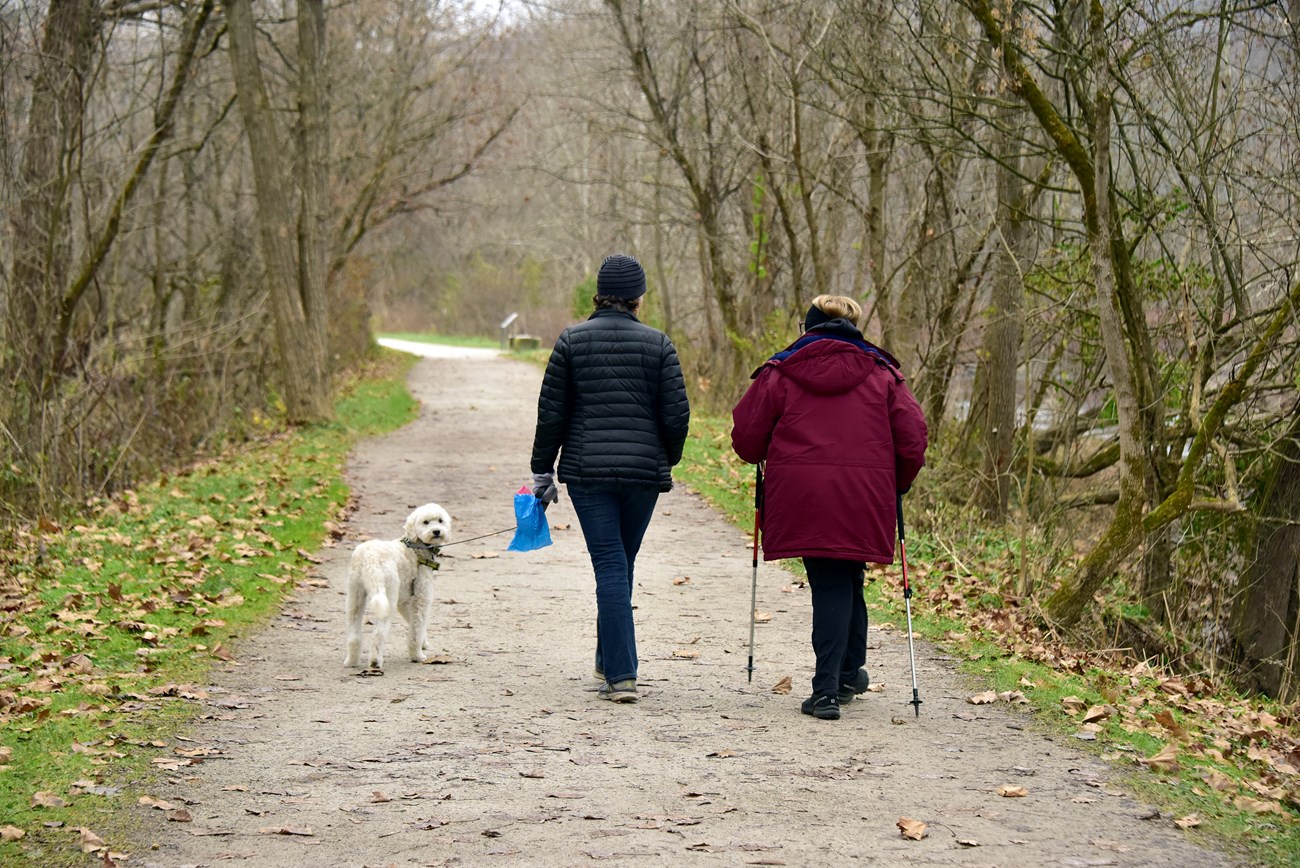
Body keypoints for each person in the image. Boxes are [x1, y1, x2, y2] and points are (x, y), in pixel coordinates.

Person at [730, 295, 928, 721]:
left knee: (834, 580)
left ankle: (828, 689)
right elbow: (913, 438)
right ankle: (845, 674)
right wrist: (899, 483)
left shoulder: (781, 372)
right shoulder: (883, 374)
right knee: (843, 574)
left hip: (802, 494)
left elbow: (746, 439)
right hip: (865, 492)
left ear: (806, 329)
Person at [530, 254, 691, 704]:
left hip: (588, 472)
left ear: (598, 294)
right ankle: (611, 663)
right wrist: (666, 458)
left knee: (611, 564)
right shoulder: (658, 344)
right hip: (642, 473)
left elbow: (552, 414)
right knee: (621, 563)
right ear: (639, 297)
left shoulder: (571, 341)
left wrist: (542, 470)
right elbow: (676, 416)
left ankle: (620, 673)